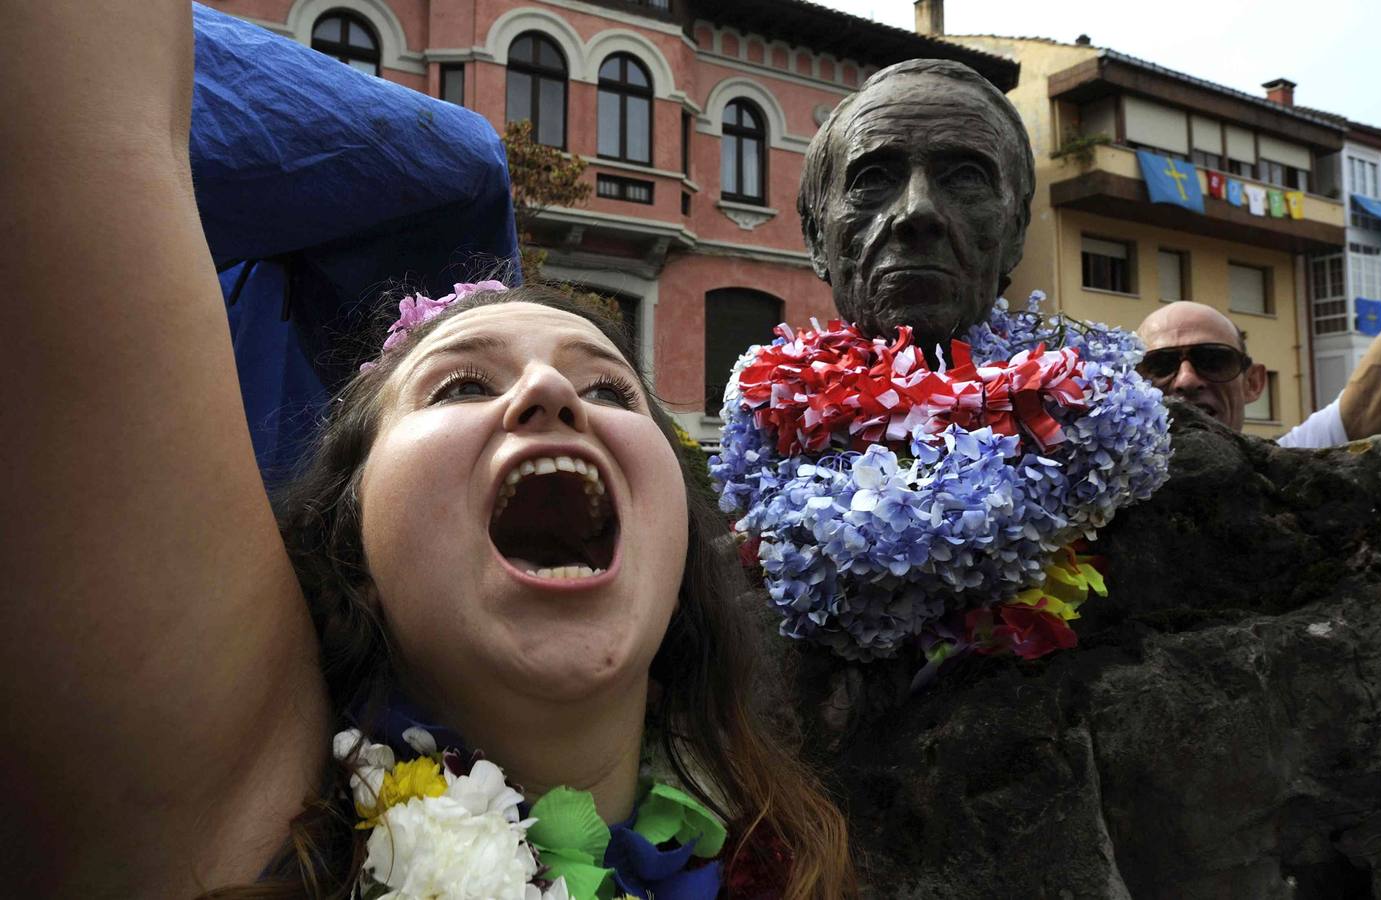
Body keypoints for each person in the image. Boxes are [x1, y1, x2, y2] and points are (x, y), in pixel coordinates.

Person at [0, 4, 854, 898]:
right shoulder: (226, 816)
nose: (550, 393)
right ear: (349, 539)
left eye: (607, 389)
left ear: (679, 548)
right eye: (461, 386)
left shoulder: (794, 864)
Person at [797, 58, 1036, 356]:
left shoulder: (1093, 398)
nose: (918, 210)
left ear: (1016, 230)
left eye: (965, 176)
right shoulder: (766, 401)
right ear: (816, 237)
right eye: (872, 178)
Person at [1136, 274, 1381, 447]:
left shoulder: (1293, 470)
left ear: (1253, 383)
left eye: (1213, 359)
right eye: (1161, 365)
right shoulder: (1097, 491)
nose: (1187, 380)